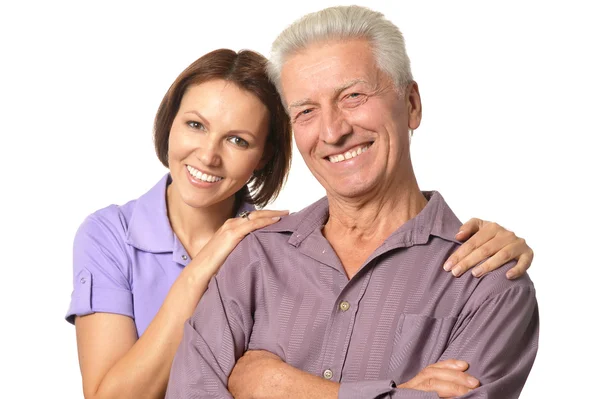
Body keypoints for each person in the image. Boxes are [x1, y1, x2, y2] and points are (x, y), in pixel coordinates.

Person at [67, 49, 532, 398]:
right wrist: (201, 268)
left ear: (264, 156)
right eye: (194, 125)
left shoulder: (272, 245)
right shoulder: (112, 233)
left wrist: (273, 383)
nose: (208, 155)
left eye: (237, 139)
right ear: (168, 123)